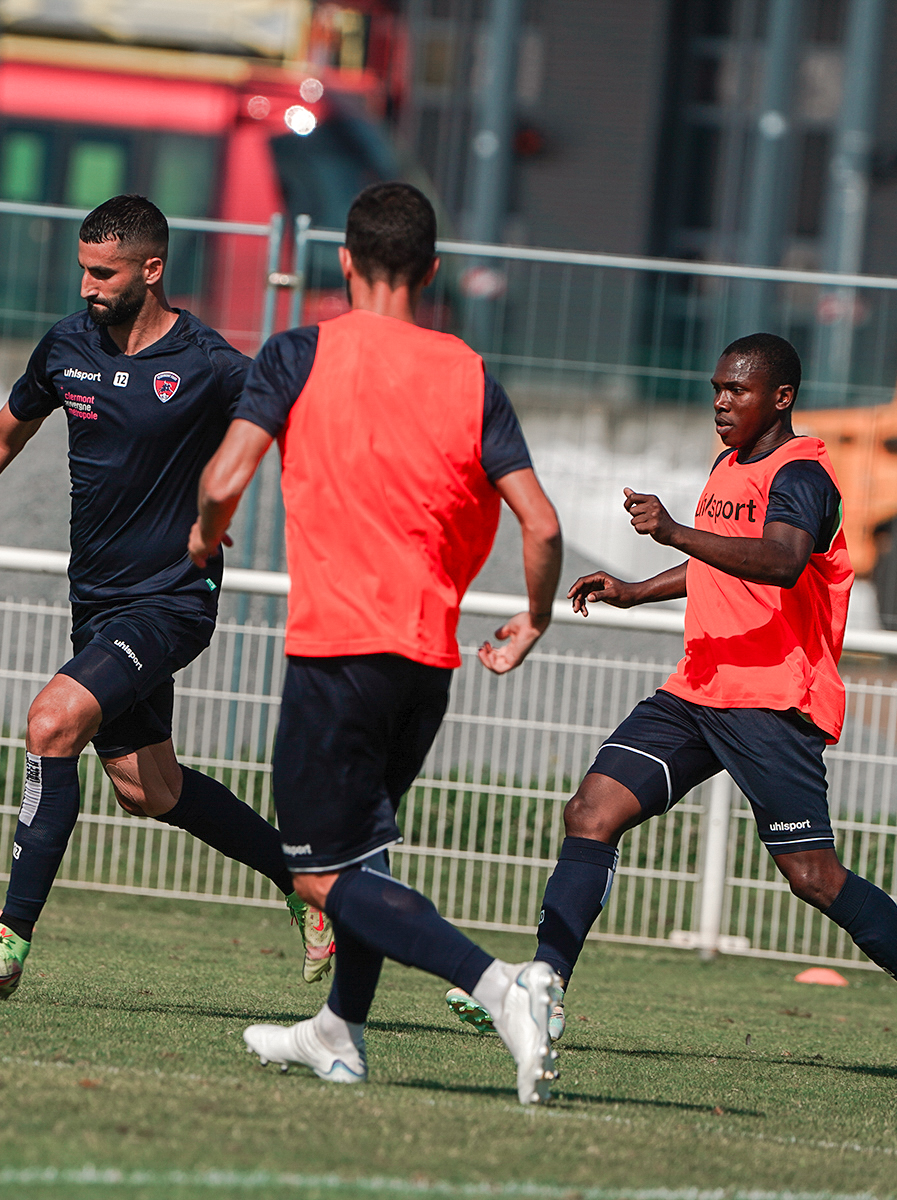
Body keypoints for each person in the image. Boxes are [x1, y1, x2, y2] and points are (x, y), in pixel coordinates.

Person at [448, 332, 897, 1090]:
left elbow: (779, 560)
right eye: (716, 388)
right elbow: (721, 553)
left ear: (781, 398)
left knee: (812, 876)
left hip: (773, 699)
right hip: (698, 687)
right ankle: (544, 992)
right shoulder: (727, 465)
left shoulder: (803, 472)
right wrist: (639, 587)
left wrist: (672, 528)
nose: (720, 402)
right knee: (591, 811)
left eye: (737, 390)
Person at [0, 195, 333, 998]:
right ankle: (307, 885)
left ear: (152, 270)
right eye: (82, 268)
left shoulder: (211, 364)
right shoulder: (68, 346)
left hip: (171, 601)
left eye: (102, 272)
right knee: (151, 789)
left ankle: (8, 942)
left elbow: (297, 438)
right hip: (99, 603)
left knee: (52, 720)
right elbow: (3, 436)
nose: (86, 285)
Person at [189, 182, 568, 1105]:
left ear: (346, 264)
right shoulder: (471, 372)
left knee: (318, 873)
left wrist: (206, 534)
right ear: (431, 272)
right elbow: (545, 527)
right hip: (427, 662)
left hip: (337, 653)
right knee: (359, 856)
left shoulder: (300, 352)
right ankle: (337, 1035)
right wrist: (535, 616)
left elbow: (225, 475)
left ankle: (499, 987)